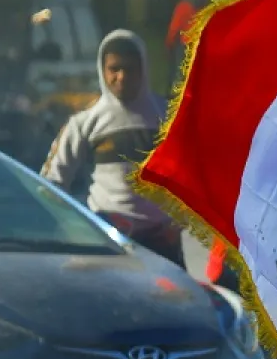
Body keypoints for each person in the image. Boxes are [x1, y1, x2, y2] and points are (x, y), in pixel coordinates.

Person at [42, 30, 184, 267]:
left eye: (130, 69)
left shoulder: (170, 116)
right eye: (114, 69)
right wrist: (71, 227)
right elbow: (52, 181)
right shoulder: (85, 121)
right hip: (108, 240)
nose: (122, 76)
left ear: (144, 69)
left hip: (162, 243)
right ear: (103, 70)